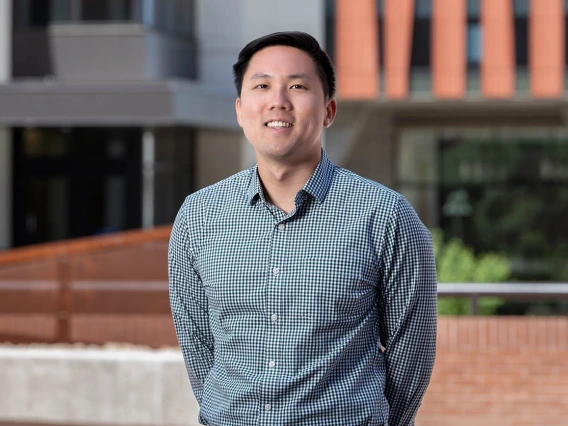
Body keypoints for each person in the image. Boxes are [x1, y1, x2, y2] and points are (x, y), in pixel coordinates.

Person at [169, 31, 437, 426]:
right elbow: (198, 346)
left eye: (297, 86)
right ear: (241, 110)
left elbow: (412, 352)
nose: (278, 100)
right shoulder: (198, 216)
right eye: (262, 85)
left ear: (328, 110)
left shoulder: (385, 215)